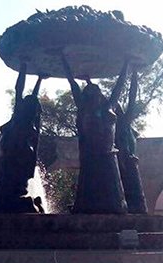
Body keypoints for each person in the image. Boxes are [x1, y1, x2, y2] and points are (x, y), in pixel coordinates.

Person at [62, 54, 129, 214]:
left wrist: (126, 63)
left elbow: (119, 86)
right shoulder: (84, 108)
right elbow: (72, 83)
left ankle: (115, 208)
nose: (94, 96)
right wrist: (62, 58)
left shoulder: (108, 107)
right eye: (90, 93)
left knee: (112, 193)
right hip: (91, 154)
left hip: (107, 154)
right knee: (89, 188)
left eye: (95, 92)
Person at [0, 64, 45, 214]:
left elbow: (27, 96)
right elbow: (20, 90)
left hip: (19, 162)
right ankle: (30, 205)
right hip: (13, 160)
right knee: (6, 188)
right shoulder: (20, 118)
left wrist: (36, 77)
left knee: (13, 189)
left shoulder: (25, 121)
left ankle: (28, 204)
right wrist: (26, 71)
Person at [114, 66, 148, 213]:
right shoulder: (114, 126)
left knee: (132, 190)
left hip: (126, 159)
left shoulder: (124, 123)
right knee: (127, 190)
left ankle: (136, 211)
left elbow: (132, 97)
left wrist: (134, 74)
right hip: (120, 160)